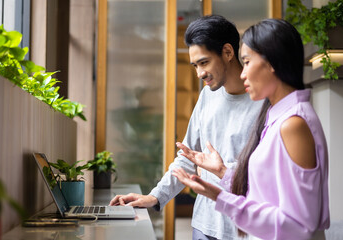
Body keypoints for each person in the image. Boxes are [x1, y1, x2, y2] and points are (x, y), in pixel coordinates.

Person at [173, 19, 330, 240]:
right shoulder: (278, 116)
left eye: (246, 62)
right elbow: (267, 192)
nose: (243, 73)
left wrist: (220, 198)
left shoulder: (294, 123)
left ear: (272, 63)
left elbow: (299, 227)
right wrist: (221, 172)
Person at [109, 15, 264, 240]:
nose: (199, 73)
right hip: (203, 227)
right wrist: (155, 197)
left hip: (244, 231)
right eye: (195, 65)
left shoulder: (263, 102)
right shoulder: (207, 97)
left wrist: (221, 169)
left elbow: (268, 175)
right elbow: (187, 157)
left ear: (228, 52)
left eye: (204, 62)